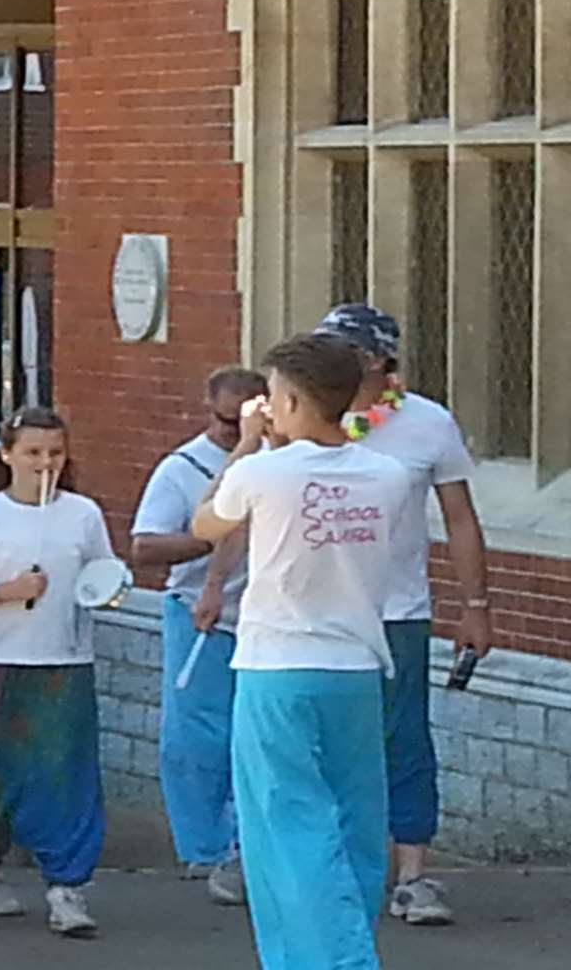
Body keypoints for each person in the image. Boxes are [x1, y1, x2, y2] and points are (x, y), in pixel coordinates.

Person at [191, 333, 408, 970]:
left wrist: (247, 443)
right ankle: (348, 939)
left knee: (285, 826)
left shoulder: (261, 472)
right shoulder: (387, 474)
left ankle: (324, 958)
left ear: (286, 398)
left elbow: (207, 522)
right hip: (357, 665)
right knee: (357, 821)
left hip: (277, 664)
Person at [312, 304, 493, 927]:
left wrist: (475, 607)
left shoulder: (426, 424)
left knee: (403, 738)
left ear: (377, 360)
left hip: (398, 611)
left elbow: (461, 519)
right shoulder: (304, 417)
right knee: (323, 740)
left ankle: (413, 873)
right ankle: (331, 867)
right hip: (316, 609)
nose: (329, 362)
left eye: (343, 350)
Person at [0, 408, 115, 935]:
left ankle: (67, 886)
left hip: (64, 662)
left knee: (65, 774)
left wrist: (106, 588)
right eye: (33, 453)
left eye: (55, 453)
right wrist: (4, 593)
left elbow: (101, 572)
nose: (45, 463)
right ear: (7, 455)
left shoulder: (83, 513)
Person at [129, 366, 268, 904]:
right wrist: (206, 541)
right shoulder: (183, 468)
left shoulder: (281, 462)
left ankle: (242, 846)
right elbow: (144, 548)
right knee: (196, 737)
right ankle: (203, 846)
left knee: (250, 737)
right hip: (199, 615)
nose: (236, 432)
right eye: (225, 422)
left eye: (246, 421)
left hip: (262, 616)